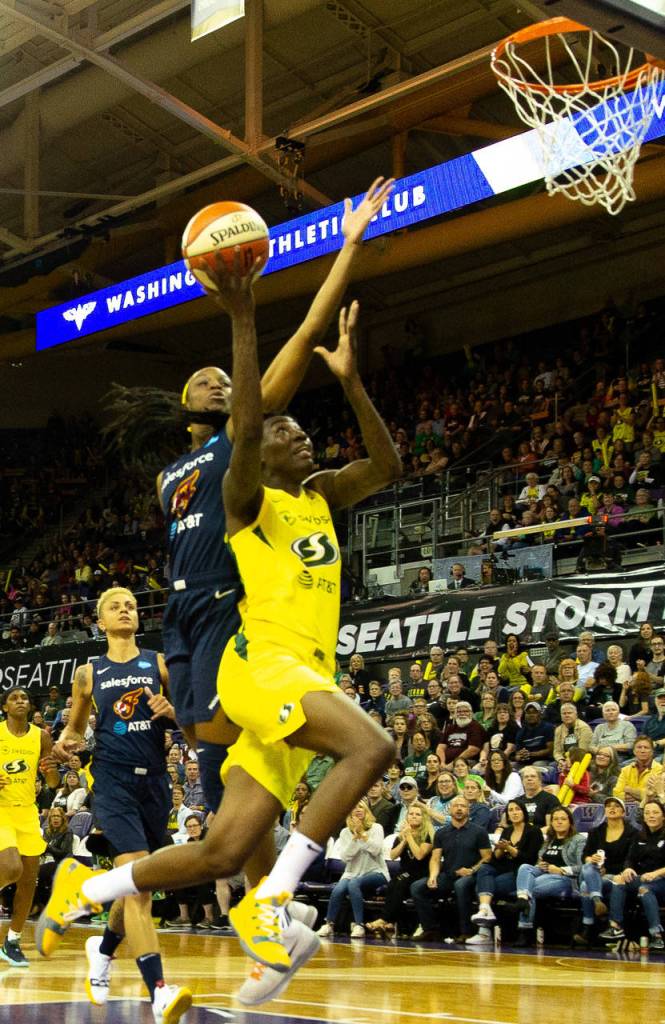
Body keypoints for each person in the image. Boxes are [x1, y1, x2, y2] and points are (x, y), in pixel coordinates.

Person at [38, 289, 401, 1006]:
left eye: (299, 429)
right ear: (249, 447)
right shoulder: (244, 493)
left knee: (224, 846)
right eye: (278, 429)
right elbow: (251, 411)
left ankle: (104, 886)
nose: (296, 434)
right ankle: (271, 904)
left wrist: (352, 381)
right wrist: (242, 313)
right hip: (252, 655)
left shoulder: (317, 493)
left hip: (288, 664)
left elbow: (384, 468)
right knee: (367, 749)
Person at [104, 176, 392, 822]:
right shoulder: (167, 476)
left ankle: (244, 858)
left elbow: (307, 331)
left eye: (227, 381)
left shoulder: (242, 436)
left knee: (224, 744)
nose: (222, 385)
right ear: (183, 404)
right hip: (180, 611)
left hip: (228, 602)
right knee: (203, 739)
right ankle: (229, 857)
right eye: (207, 380)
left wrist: (347, 248)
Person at [40, 587, 190, 1022]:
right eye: (115, 606)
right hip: (112, 780)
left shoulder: (157, 662)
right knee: (140, 882)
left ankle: (102, 949)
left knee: (132, 882)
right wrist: (66, 746)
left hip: (157, 783)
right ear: (100, 622)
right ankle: (159, 990)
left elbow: (187, 720)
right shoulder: (89, 673)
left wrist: (172, 711)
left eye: (132, 606)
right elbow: (74, 729)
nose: (126, 610)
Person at [0, 687, 61, 967]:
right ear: (5, 707)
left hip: (27, 812)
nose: (21, 701)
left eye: (24, 697)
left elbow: (52, 783)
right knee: (12, 868)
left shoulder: (42, 736)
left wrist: (51, 768)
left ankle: (12, 942)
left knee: (28, 882)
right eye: (14, 698)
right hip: (1, 811)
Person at [410, 795, 491, 943]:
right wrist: (433, 876)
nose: (459, 809)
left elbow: (487, 857)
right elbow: (435, 858)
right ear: (450, 810)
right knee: (417, 887)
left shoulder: (479, 832)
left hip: (471, 875)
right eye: (456, 806)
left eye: (463, 806)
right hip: (448, 874)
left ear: (468, 810)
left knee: (461, 885)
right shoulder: (441, 833)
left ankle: (466, 932)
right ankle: (431, 929)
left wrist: (472, 869)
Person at [468, 800, 541, 944]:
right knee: (484, 869)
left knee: (481, 887)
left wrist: (510, 849)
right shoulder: (507, 831)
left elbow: (529, 859)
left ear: (524, 812)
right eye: (511, 810)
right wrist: (500, 849)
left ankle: (484, 931)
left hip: (520, 875)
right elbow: (496, 858)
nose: (514, 813)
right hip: (504, 870)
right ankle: (485, 909)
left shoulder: (534, 831)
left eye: (517, 809)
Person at [511, 806, 586, 946]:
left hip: (565, 880)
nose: (559, 822)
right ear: (551, 823)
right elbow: (539, 859)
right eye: (555, 819)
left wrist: (561, 870)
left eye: (563, 819)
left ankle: (524, 930)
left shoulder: (578, 840)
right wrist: (540, 865)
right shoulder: (549, 840)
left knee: (529, 890)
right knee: (525, 867)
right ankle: (522, 898)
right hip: (544, 874)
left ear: (570, 822)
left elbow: (583, 867)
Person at [316, 803, 389, 939]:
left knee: (353, 884)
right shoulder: (345, 832)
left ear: (366, 810)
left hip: (376, 871)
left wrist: (362, 835)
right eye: (354, 808)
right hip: (351, 872)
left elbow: (376, 850)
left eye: (360, 807)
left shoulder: (376, 828)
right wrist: (354, 840)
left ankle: (358, 925)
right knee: (338, 889)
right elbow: (345, 857)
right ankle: (329, 924)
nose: (357, 810)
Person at [600, 799, 665, 949]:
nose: (651, 816)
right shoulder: (640, 836)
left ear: (663, 816)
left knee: (645, 889)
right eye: (647, 813)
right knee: (619, 880)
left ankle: (656, 935)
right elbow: (630, 859)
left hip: (661, 880)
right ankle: (616, 927)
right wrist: (628, 869)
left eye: (655, 812)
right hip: (643, 878)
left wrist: (655, 874)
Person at [573, 795, 637, 947]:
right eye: (608, 806)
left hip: (617, 875)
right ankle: (597, 901)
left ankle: (588, 927)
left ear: (623, 811)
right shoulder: (596, 831)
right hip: (594, 873)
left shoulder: (632, 833)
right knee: (588, 867)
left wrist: (607, 870)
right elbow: (585, 856)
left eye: (616, 806)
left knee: (584, 886)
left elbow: (631, 859)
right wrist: (591, 859)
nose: (612, 808)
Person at [366, 804, 434, 938]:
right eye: (411, 814)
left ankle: (385, 920)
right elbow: (393, 855)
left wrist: (409, 837)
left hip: (421, 872)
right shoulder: (401, 836)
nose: (413, 816)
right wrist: (403, 840)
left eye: (417, 814)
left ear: (424, 818)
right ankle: (392, 923)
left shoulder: (429, 835)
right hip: (405, 872)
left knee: (400, 884)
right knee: (393, 885)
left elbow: (419, 855)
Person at [614, 736, 663, 803]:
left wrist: (629, 790)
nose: (642, 751)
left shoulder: (659, 770)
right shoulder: (625, 770)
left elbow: (653, 795)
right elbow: (616, 793)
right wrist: (633, 796)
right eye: (639, 747)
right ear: (634, 751)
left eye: (646, 748)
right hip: (627, 808)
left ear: (652, 752)